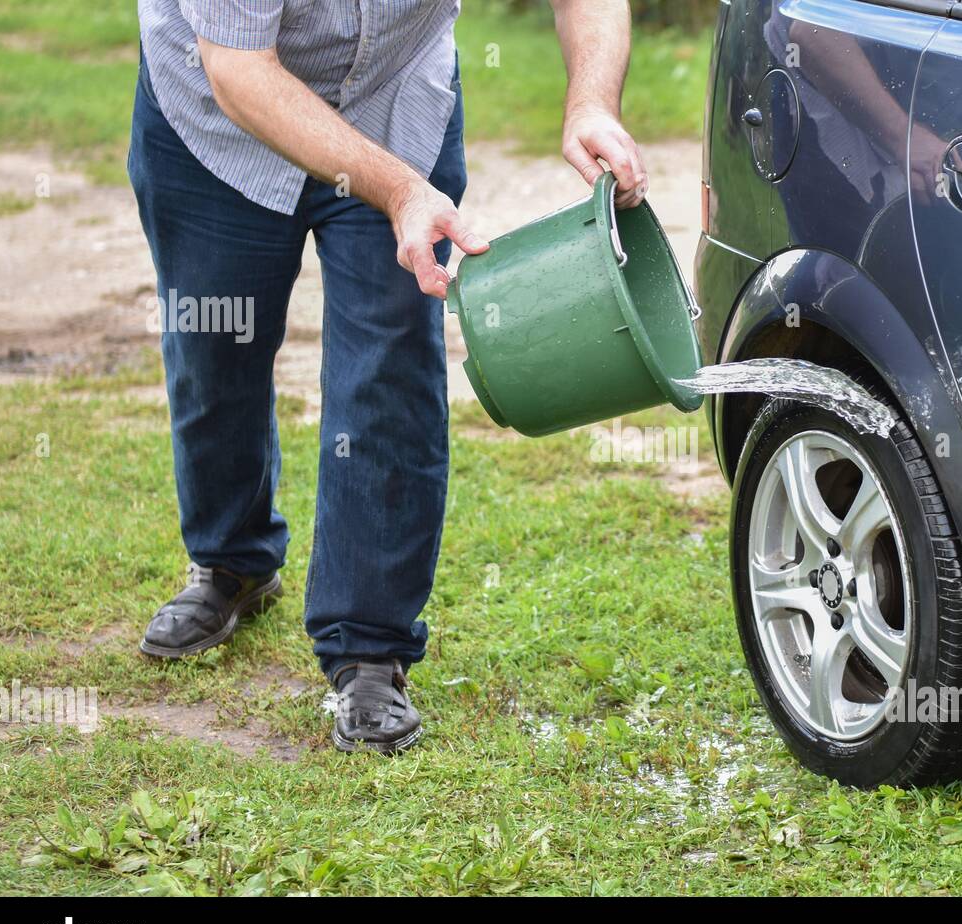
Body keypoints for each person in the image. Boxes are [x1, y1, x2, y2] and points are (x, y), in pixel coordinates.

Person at [129, 0, 648, 752]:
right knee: (217, 352)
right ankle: (231, 559)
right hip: (217, 122)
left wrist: (591, 102)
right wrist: (399, 191)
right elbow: (239, 68)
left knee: (390, 362)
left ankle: (369, 646)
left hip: (394, 105)